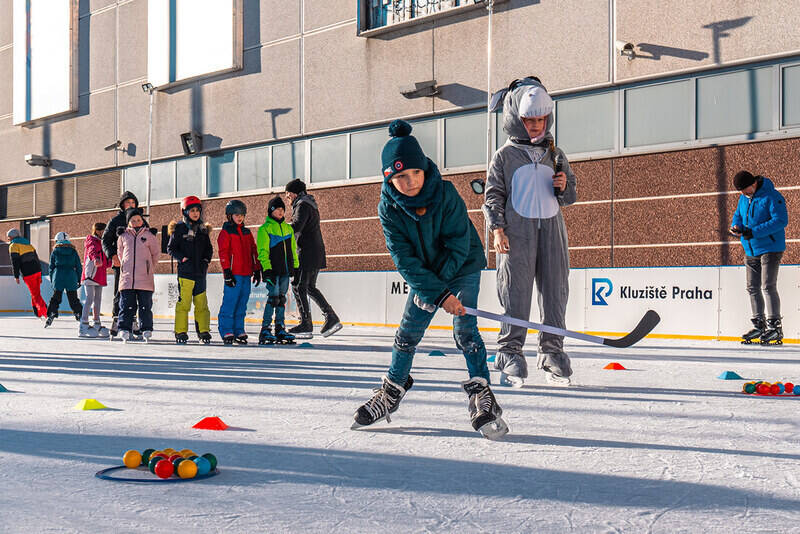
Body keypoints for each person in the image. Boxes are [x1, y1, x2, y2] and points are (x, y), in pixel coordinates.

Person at [352, 119, 508, 440]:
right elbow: (403, 258)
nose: (410, 182)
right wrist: (435, 292)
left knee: (465, 330)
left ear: (424, 168)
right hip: (425, 275)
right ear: (389, 178)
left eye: (415, 172)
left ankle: (482, 393)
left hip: (462, 265)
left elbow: (458, 244)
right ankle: (392, 391)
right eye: (400, 177)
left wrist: (443, 293)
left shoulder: (445, 193)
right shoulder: (388, 208)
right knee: (407, 333)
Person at [483, 77, 577, 387]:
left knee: (555, 292)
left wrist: (564, 186)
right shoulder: (504, 156)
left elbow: (570, 196)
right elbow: (493, 195)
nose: (536, 125)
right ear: (516, 118)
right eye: (529, 120)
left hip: (552, 231)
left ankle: (552, 351)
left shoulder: (556, 154)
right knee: (516, 293)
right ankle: (510, 352)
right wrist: (497, 230)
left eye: (540, 119)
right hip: (516, 233)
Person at [730, 170, 788, 345]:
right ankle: (759, 325)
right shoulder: (743, 198)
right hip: (750, 249)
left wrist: (753, 232)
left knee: (768, 286)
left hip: (770, 248)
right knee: (752, 287)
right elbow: (738, 215)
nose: (742, 193)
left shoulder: (772, 196)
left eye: (744, 189)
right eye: (740, 191)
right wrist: (736, 226)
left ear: (753, 183)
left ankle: (775, 327)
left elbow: (780, 220)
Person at [284, 179, 341, 338]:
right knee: (308, 287)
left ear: (294, 193)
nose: (287, 198)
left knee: (299, 286)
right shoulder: (309, 204)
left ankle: (306, 323)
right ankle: (330, 317)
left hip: (307, 253)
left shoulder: (302, 205)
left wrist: (280, 227)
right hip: (314, 252)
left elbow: (297, 226)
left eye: (287, 194)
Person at [167, 196, 213, 345]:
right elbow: (171, 248)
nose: (195, 213)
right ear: (184, 212)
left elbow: (208, 249)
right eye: (192, 210)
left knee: (201, 304)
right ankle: (180, 331)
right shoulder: (179, 228)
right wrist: (182, 259)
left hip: (200, 273)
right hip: (186, 273)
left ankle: (203, 330)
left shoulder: (202, 229)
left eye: (197, 210)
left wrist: (206, 260)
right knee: (184, 304)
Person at [217, 199, 262, 345]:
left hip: (246, 273)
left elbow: (253, 251)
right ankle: (226, 330)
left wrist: (257, 269)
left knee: (242, 303)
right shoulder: (226, 232)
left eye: (242, 215)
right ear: (229, 216)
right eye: (236, 215)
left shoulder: (247, 232)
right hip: (234, 273)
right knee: (230, 302)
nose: (240, 217)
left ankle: (238, 329)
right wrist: (227, 271)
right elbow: (223, 252)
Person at [256, 196, 299, 345]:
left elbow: (293, 250)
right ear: (271, 211)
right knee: (273, 298)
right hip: (272, 270)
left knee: (281, 299)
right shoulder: (265, 229)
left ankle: (280, 328)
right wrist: (266, 269)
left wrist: (295, 267)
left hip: (285, 270)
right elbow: (262, 251)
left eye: (282, 209)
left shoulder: (288, 228)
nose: (280, 212)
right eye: (277, 209)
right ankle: (265, 329)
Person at [116, 207, 160, 343]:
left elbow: (155, 254)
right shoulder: (123, 236)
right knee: (126, 305)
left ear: (142, 221)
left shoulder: (149, 236)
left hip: (145, 278)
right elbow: (120, 254)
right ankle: (124, 328)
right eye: (133, 220)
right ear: (128, 222)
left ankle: (146, 328)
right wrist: (125, 266)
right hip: (127, 278)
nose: (136, 222)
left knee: (145, 306)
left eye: (138, 220)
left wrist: (149, 267)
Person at [102, 191, 140, 337]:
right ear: (122, 205)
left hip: (138, 264)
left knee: (136, 292)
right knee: (120, 292)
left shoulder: (140, 220)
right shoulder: (115, 221)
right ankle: (116, 318)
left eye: (133, 203)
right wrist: (113, 255)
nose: (130, 205)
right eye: (127, 203)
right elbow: (105, 240)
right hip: (121, 263)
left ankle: (133, 320)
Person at [80, 222, 113, 337]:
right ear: (98, 231)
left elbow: (106, 262)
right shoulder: (91, 240)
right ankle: (83, 324)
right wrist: (96, 258)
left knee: (98, 300)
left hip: (100, 275)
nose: (105, 232)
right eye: (103, 230)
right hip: (91, 275)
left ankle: (96, 323)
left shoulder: (104, 242)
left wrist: (113, 262)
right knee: (89, 298)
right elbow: (92, 251)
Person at [7, 228, 48, 319]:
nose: (8, 239)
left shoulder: (13, 246)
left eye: (9, 237)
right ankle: (38, 313)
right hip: (37, 271)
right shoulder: (28, 244)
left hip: (28, 273)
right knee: (36, 293)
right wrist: (40, 272)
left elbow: (15, 262)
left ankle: (47, 313)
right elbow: (36, 259)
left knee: (35, 295)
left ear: (12, 236)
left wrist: (16, 276)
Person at [46, 232, 83, 328]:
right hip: (71, 276)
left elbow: (51, 267)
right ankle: (79, 313)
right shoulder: (73, 251)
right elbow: (78, 266)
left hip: (58, 275)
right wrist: (79, 279)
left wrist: (52, 280)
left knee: (56, 297)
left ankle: (52, 313)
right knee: (73, 298)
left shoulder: (55, 251)